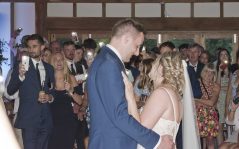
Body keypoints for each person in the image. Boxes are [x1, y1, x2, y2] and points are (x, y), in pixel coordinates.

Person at [87, 18, 174, 149]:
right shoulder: (108, 64)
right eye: (137, 46)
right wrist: (156, 142)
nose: (137, 52)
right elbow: (119, 115)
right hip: (112, 144)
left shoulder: (108, 60)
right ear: (126, 39)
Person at [123, 51, 184, 149]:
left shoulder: (161, 93)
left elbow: (140, 130)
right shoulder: (176, 96)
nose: (152, 65)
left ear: (160, 69)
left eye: (155, 62)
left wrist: (130, 97)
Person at [7, 34, 55, 149]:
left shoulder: (49, 68)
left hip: (46, 119)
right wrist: (20, 76)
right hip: (29, 119)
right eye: (29, 47)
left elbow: (52, 89)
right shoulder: (21, 66)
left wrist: (49, 97)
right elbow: (10, 91)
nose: (31, 50)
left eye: (35, 46)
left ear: (42, 47)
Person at [48, 52, 82, 149]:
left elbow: (80, 101)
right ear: (51, 62)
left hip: (67, 121)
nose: (59, 62)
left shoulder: (71, 78)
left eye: (61, 59)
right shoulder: (48, 78)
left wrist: (71, 92)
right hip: (50, 120)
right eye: (56, 59)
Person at [196, 63, 221, 149]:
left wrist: (195, 99)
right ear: (203, 71)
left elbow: (211, 102)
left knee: (210, 141)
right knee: (196, 140)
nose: (208, 74)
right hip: (197, 114)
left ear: (214, 74)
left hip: (210, 116)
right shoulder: (196, 82)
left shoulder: (216, 86)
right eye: (207, 71)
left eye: (212, 72)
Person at [215, 48, 231, 144]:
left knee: (230, 124)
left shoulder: (233, 68)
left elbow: (232, 85)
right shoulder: (216, 68)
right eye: (221, 54)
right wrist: (219, 71)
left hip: (230, 98)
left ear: (228, 56)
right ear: (219, 57)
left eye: (226, 54)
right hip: (220, 99)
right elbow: (217, 86)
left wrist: (227, 71)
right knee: (220, 125)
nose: (224, 56)